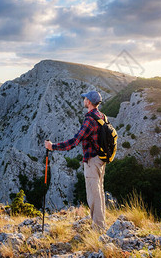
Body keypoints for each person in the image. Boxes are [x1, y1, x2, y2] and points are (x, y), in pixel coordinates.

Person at [44, 90, 107, 231]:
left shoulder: (90, 119)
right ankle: (100, 224)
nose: (83, 100)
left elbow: (74, 141)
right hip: (100, 160)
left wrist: (53, 146)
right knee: (99, 192)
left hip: (92, 161)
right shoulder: (101, 116)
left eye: (85, 98)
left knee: (93, 195)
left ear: (89, 102)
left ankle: (99, 228)